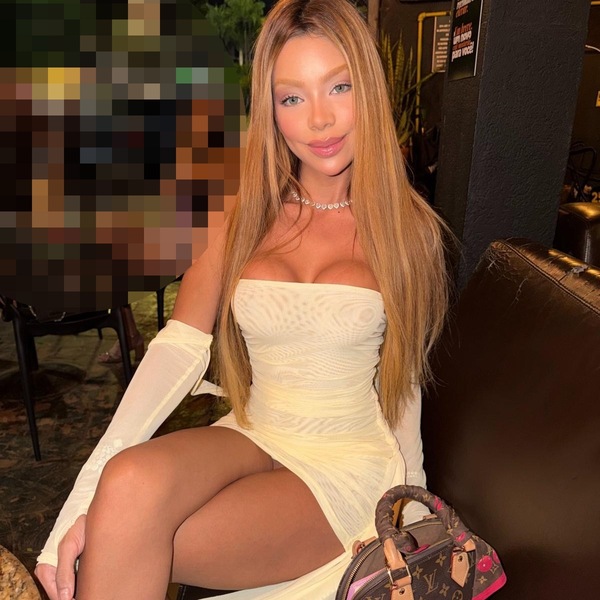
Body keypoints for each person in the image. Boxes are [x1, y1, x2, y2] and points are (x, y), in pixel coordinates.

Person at [35, 0, 450, 598]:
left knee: (117, 535)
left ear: (369, 88)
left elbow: (404, 384)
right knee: (124, 484)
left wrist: (414, 508)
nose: (321, 120)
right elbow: (178, 346)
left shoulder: (409, 230)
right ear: (271, 110)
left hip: (346, 461)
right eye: (292, 97)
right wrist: (80, 500)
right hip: (254, 431)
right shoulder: (240, 210)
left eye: (339, 87)